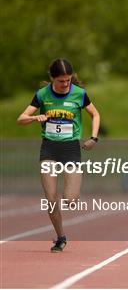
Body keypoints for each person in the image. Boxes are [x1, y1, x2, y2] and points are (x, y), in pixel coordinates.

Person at [16, 58, 100, 252]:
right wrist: (34, 118)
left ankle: (73, 191)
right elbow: (20, 119)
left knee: (70, 200)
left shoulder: (79, 94)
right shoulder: (42, 95)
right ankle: (60, 237)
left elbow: (95, 114)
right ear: (52, 78)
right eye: (61, 81)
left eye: (68, 80)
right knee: (51, 198)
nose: (65, 85)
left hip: (70, 148)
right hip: (49, 149)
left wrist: (94, 138)